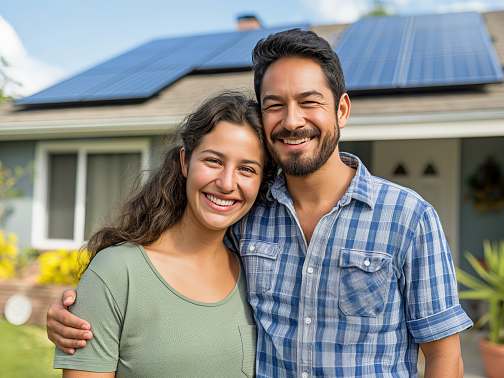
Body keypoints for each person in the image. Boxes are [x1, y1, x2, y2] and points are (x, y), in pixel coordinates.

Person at [48, 29, 473, 377]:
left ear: (342, 110)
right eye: (275, 106)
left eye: (309, 102)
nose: (292, 120)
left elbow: (444, 356)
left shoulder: (408, 217)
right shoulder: (246, 215)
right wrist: (83, 310)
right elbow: (171, 270)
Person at [51, 92, 273, 377]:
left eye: (247, 169)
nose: (227, 183)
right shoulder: (117, 272)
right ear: (185, 162)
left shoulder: (254, 274)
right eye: (214, 161)